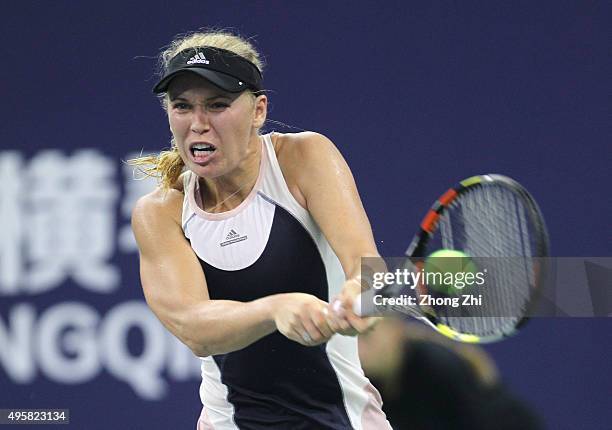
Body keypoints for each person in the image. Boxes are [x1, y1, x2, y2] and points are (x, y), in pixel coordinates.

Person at [130, 30, 392, 430]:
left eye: (218, 105)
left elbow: (369, 270)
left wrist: (363, 298)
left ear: (258, 110)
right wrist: (275, 310)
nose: (198, 123)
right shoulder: (159, 213)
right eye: (182, 106)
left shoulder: (304, 157)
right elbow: (194, 326)